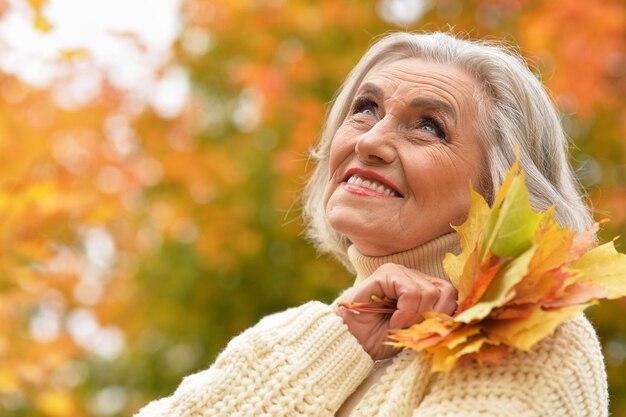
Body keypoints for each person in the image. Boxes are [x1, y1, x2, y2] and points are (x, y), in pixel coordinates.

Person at [135, 32, 608, 417]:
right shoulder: (293, 335)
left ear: (503, 190)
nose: (372, 141)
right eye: (365, 109)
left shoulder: (529, 334)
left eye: (428, 126)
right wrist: (329, 349)